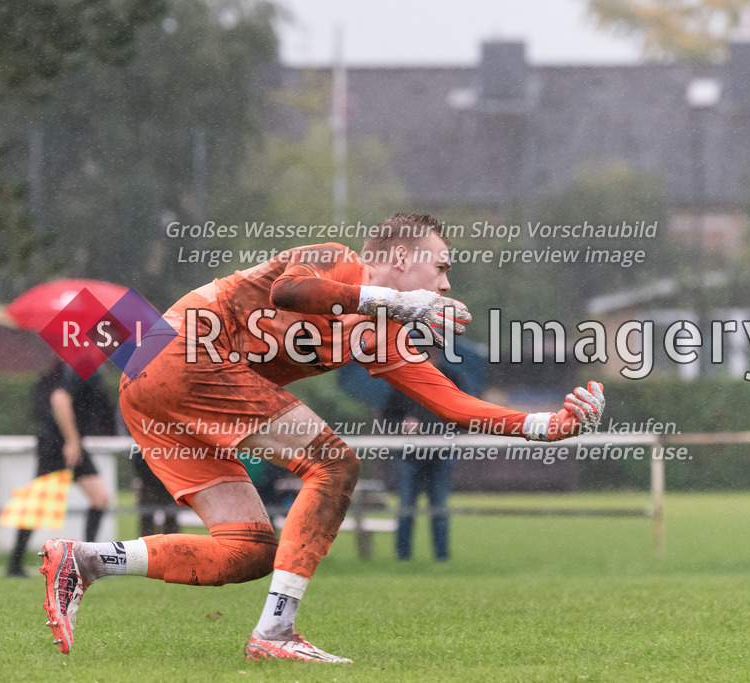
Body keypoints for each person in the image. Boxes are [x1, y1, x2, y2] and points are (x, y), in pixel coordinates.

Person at [37, 212, 605, 663]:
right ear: (401, 260)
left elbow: (452, 403)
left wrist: (546, 426)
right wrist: (403, 302)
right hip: (179, 354)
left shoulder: (383, 333)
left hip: (162, 392)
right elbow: (292, 294)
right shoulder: (335, 260)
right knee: (335, 464)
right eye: (441, 268)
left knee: (248, 550)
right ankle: (277, 632)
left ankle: (85, 560)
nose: (447, 283)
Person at [5, 361, 113, 578]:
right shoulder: (82, 368)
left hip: (69, 443)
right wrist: (71, 441)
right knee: (37, 504)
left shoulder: (89, 368)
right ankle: (14, 565)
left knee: (100, 498)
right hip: (57, 444)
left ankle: (84, 562)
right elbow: (60, 400)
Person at [383, 349, 467, 561]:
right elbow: (388, 416)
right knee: (406, 506)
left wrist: (430, 426)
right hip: (409, 454)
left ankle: (441, 556)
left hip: (441, 453)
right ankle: (403, 556)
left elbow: (464, 415)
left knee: (439, 507)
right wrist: (401, 425)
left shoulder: (453, 379)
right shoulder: (402, 379)